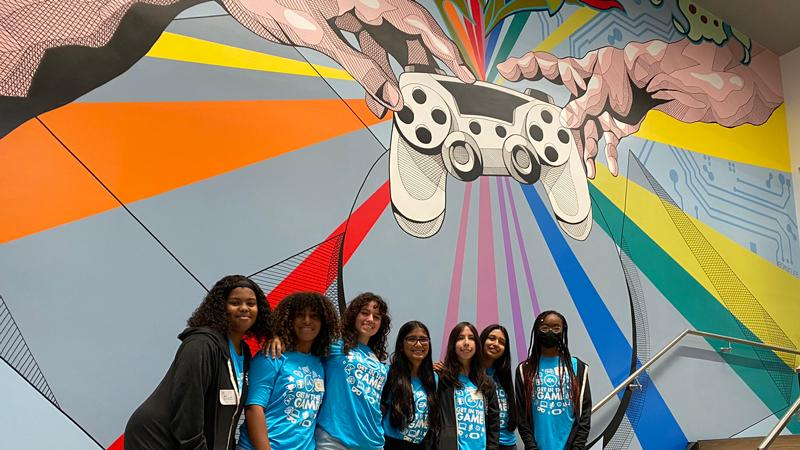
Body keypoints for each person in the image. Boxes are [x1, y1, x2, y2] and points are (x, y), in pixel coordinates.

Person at [124, 275, 273, 450]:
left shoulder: (244, 352)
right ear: (221, 308)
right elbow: (187, 411)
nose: (244, 308)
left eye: (251, 303)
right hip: (155, 438)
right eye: (235, 303)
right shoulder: (200, 344)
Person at [237, 291, 340, 450]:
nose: (307, 321)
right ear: (288, 319)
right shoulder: (271, 356)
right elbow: (253, 409)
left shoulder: (322, 361)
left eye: (314, 316)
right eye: (299, 314)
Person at [314, 292, 391, 450]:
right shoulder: (335, 343)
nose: (370, 319)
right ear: (354, 315)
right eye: (365, 313)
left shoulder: (375, 358)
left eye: (376, 317)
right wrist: (277, 340)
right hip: (335, 440)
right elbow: (302, 342)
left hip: (373, 443)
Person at [515, 311, 591, 450]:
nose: (550, 332)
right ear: (537, 330)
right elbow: (521, 415)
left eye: (556, 328)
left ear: (563, 331)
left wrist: (577, 447)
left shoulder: (577, 367)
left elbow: (584, 413)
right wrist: (531, 446)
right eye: (545, 328)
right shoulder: (524, 369)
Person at [438, 322, 499, 450]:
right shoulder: (443, 380)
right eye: (460, 338)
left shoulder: (487, 382)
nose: (466, 343)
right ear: (453, 344)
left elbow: (494, 424)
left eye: (471, 338)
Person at [381, 321, 440, 450]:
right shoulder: (388, 374)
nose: (418, 344)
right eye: (411, 339)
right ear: (401, 345)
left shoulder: (434, 379)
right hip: (390, 444)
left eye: (423, 339)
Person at [480, 325, 518, 450]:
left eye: (502, 342)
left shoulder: (503, 375)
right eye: (491, 338)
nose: (496, 344)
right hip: (484, 443)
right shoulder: (469, 375)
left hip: (509, 443)